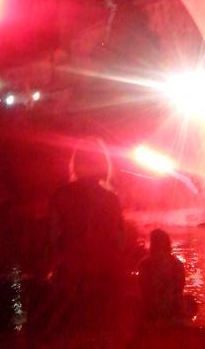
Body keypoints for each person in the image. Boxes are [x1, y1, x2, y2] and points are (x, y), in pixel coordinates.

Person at [47, 140, 125, 344]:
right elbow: (119, 242)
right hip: (104, 275)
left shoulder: (60, 195)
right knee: (102, 334)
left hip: (70, 275)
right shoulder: (111, 199)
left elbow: (52, 238)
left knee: (71, 334)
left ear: (76, 164)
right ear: (102, 164)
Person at [138, 229, 185, 323]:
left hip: (151, 310)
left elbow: (142, 288)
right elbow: (179, 288)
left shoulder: (144, 264)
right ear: (168, 244)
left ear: (152, 245)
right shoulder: (177, 264)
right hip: (170, 309)